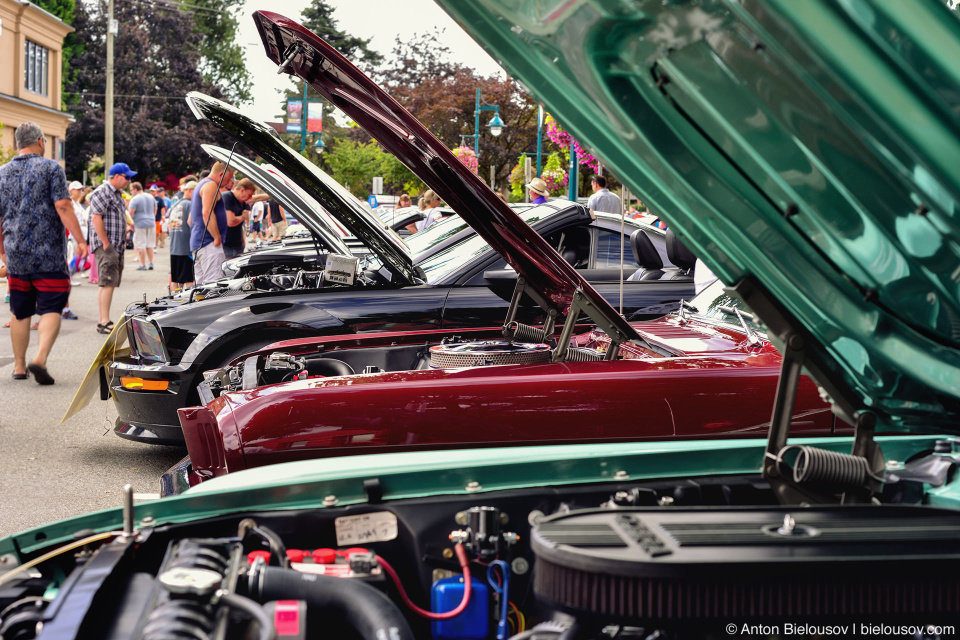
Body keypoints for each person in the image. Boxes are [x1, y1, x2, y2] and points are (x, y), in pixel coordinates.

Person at [0, 122, 88, 384]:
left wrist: (3, 251)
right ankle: (39, 358)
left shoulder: (2, 173)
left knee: (20, 310)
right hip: (48, 253)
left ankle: (18, 366)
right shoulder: (51, 168)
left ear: (17, 143)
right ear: (40, 141)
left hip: (16, 253)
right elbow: (63, 205)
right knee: (52, 305)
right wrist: (81, 241)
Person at [89, 162, 135, 334]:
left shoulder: (117, 194)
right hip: (107, 245)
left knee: (107, 283)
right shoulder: (103, 192)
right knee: (107, 282)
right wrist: (106, 243)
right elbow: (96, 218)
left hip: (114, 244)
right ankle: (104, 321)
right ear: (116, 176)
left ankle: (103, 320)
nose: (129, 181)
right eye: (126, 177)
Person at [190, 161, 234, 284]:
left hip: (198, 242)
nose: (228, 183)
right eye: (228, 179)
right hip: (209, 243)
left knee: (201, 285)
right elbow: (207, 213)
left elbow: (190, 219)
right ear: (221, 174)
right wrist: (216, 237)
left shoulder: (200, 185)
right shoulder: (211, 185)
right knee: (213, 285)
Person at [168, 180, 196, 290]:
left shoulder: (176, 204)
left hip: (174, 247)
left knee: (175, 279)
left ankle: (174, 300)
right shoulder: (190, 204)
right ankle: (189, 304)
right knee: (189, 279)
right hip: (186, 248)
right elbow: (192, 223)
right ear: (190, 190)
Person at [222, 178, 259, 259]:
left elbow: (239, 224)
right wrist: (243, 217)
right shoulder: (227, 197)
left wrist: (243, 242)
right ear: (242, 190)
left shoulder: (242, 201)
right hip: (226, 245)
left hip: (237, 244)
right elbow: (231, 222)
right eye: (249, 194)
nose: (249, 198)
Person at [127, 182, 156, 270]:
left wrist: (130, 224)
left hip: (139, 223)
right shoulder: (151, 197)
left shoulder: (135, 199)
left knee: (141, 244)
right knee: (150, 244)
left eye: (131, 190)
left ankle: (143, 264)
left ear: (135, 189)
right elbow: (155, 209)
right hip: (151, 222)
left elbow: (130, 213)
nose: (131, 192)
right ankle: (151, 263)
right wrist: (152, 218)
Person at [150, 184, 167, 248]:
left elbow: (163, 208)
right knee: (150, 233)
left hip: (157, 218)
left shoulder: (159, 199)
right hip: (150, 218)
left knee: (156, 233)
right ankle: (151, 245)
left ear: (156, 191)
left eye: (153, 191)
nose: (152, 192)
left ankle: (155, 246)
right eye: (151, 191)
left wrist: (163, 217)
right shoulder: (149, 198)